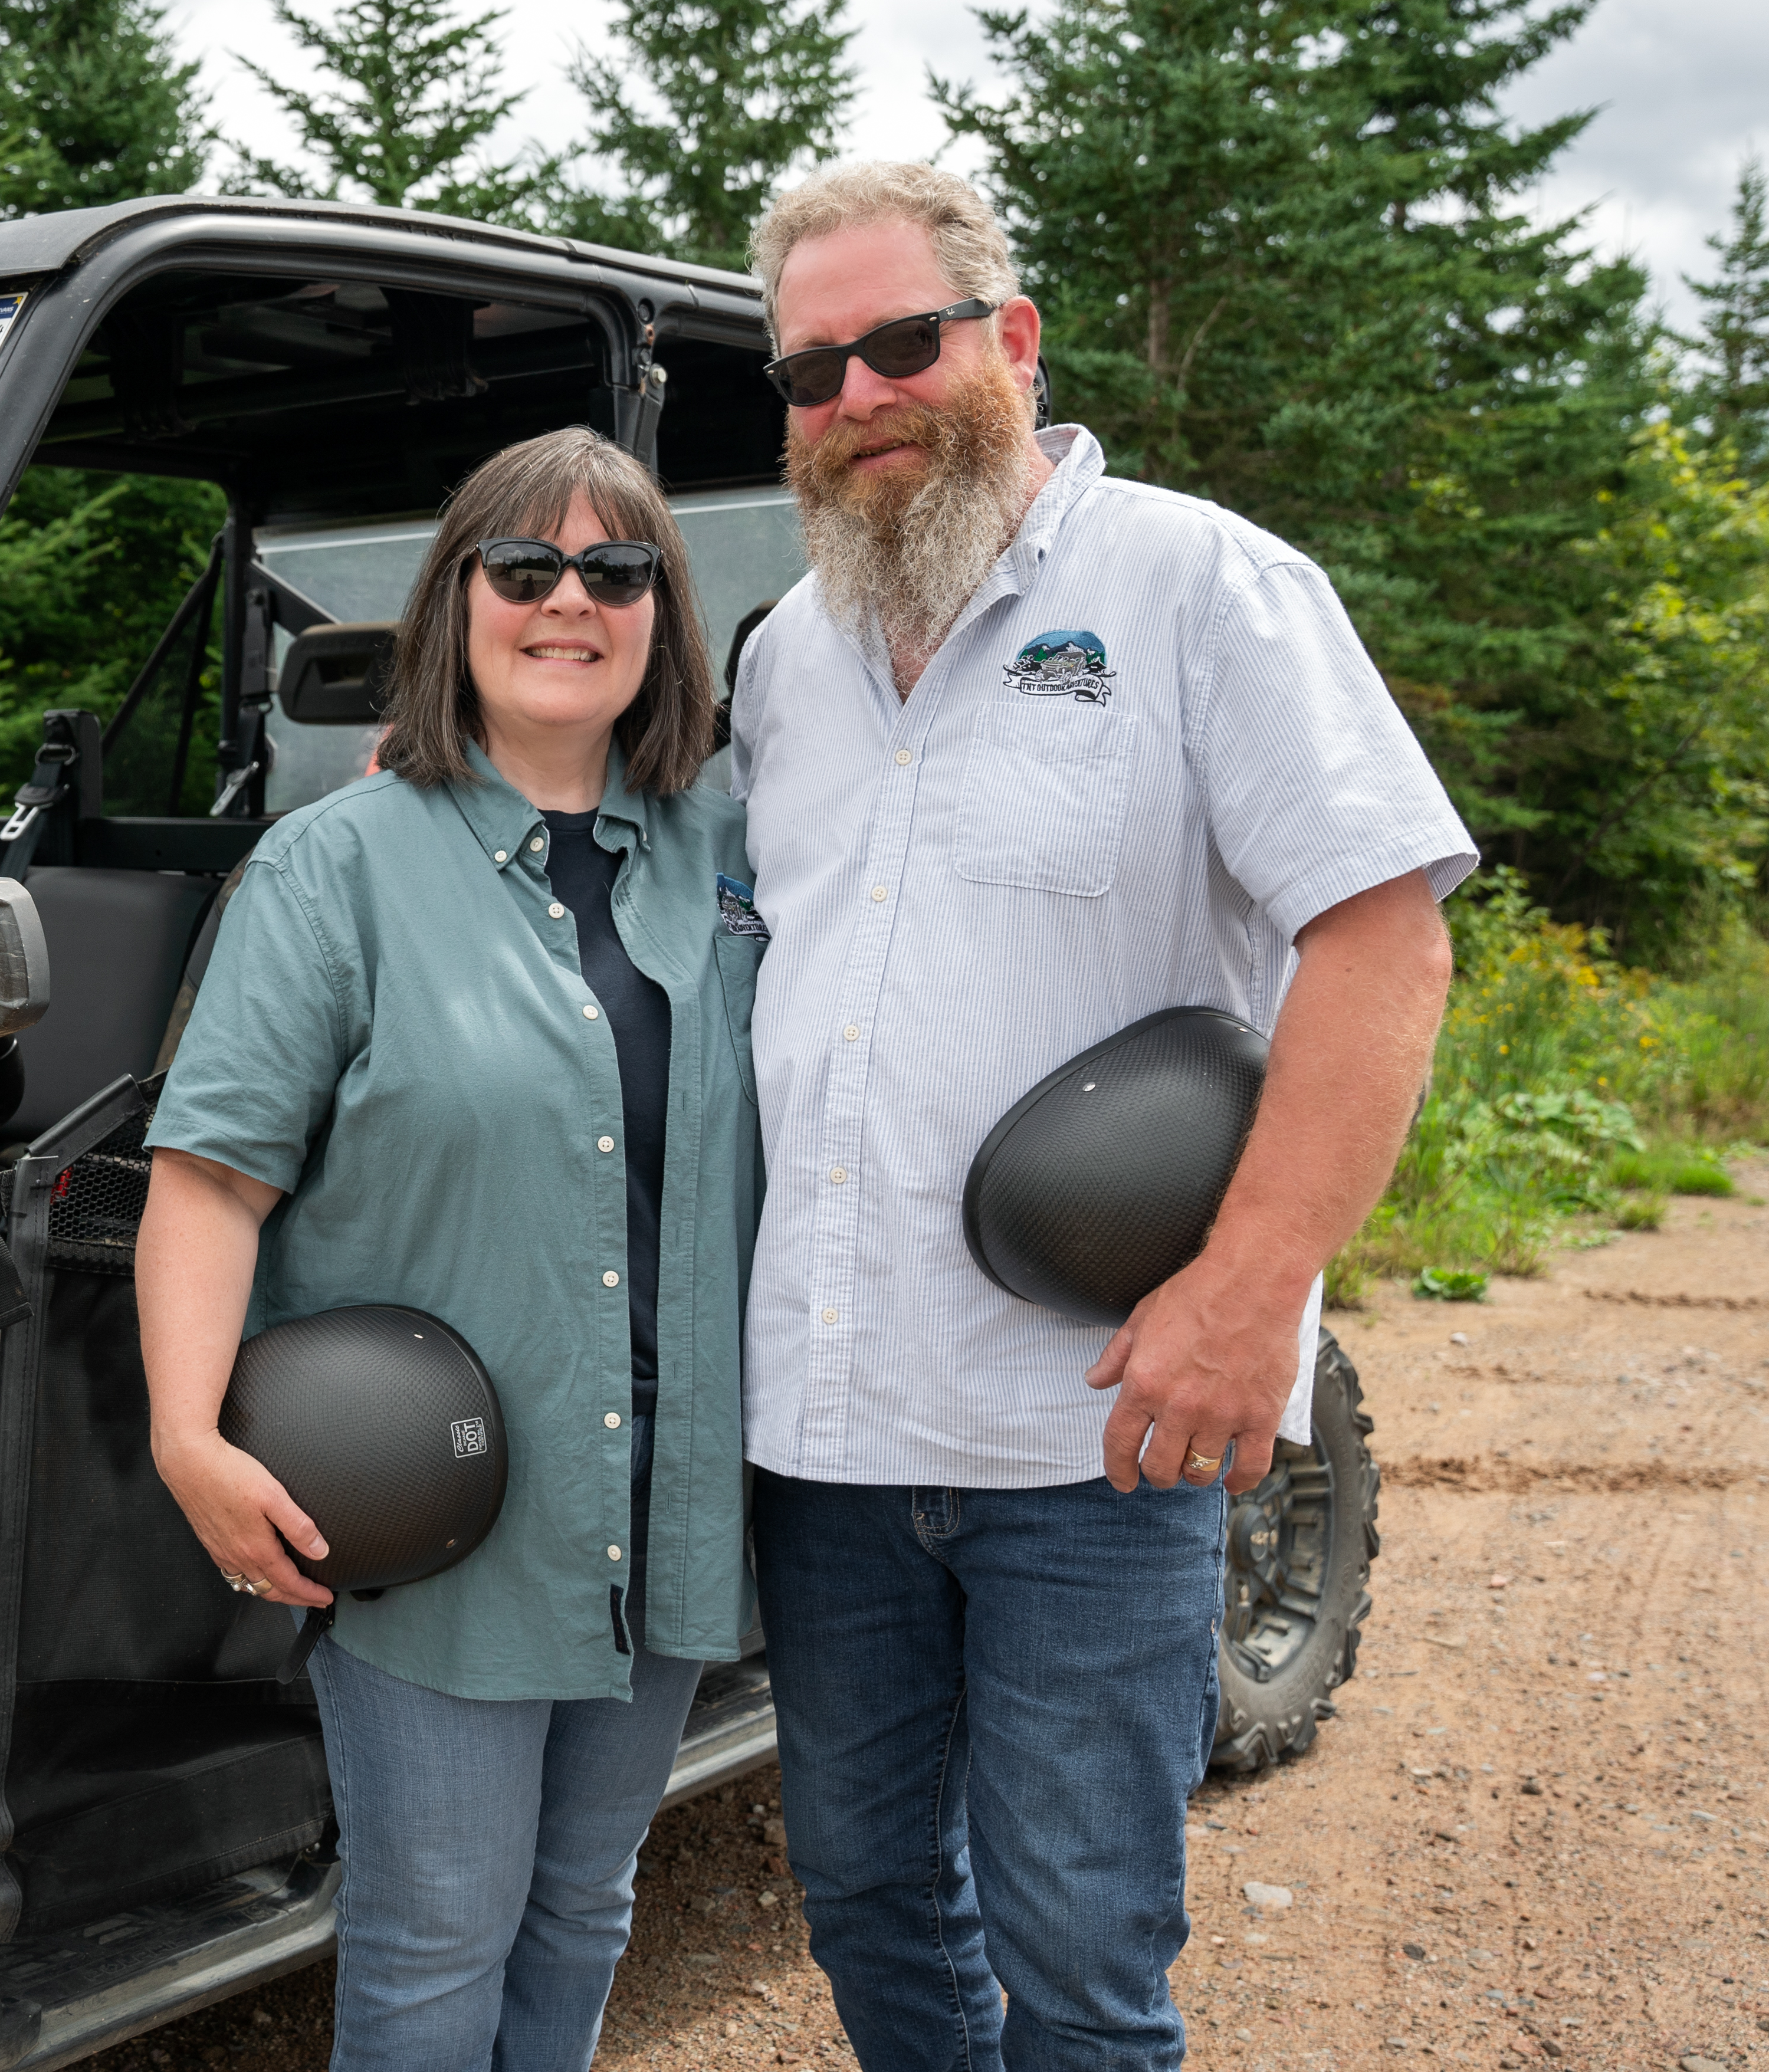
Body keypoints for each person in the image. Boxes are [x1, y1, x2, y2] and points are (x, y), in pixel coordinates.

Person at [727, 159, 1469, 2070]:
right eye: (811, 371)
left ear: (1013, 341)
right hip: (824, 1435)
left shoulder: (1199, 586)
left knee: (1078, 1955)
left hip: (1094, 1433)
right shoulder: (777, 659)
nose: (860, 398)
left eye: (903, 343)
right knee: (871, 1900)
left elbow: (1380, 945)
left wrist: (1253, 1292)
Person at [136, 427, 766, 2072]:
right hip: (445, 1511)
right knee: (434, 1943)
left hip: (665, 1500)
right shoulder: (333, 866)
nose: (571, 601)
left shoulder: (732, 847)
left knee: (583, 1908)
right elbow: (210, 1181)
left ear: (661, 616)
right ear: (455, 602)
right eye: (526, 568)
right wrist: (186, 1437)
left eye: (617, 572)